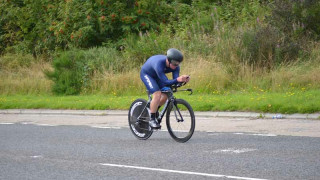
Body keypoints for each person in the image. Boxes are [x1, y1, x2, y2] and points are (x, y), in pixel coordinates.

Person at [140, 48, 190, 129]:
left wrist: (183, 80)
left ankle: (153, 109)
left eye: (178, 63)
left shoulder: (176, 67)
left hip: (158, 75)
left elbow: (175, 81)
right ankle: (152, 120)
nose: (176, 65)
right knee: (157, 94)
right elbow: (166, 81)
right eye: (174, 63)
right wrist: (177, 80)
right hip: (147, 74)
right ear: (168, 60)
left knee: (166, 93)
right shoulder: (159, 64)